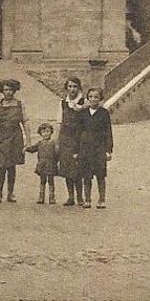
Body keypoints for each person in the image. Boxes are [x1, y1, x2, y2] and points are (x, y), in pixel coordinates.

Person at [0, 79, 30, 203]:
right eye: (5, 90)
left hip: (15, 137)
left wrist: (28, 141)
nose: (8, 92)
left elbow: (25, 122)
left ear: (14, 90)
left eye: (10, 90)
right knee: (1, 165)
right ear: (2, 91)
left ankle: (10, 193)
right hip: (1, 137)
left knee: (12, 166)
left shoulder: (20, 104)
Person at [78, 87, 113, 209]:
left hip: (99, 148)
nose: (93, 99)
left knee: (100, 175)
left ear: (100, 99)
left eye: (96, 97)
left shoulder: (104, 113)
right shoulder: (83, 113)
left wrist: (108, 150)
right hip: (85, 148)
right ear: (87, 98)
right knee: (86, 176)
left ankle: (101, 199)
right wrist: (77, 151)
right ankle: (87, 199)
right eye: (91, 97)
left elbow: (108, 132)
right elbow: (78, 131)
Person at [57, 75, 86, 207]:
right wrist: (57, 140)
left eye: (75, 86)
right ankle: (70, 196)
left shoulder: (83, 102)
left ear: (78, 88)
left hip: (78, 138)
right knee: (67, 168)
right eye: (69, 86)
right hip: (65, 137)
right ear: (66, 88)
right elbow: (59, 122)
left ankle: (80, 196)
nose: (72, 89)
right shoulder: (63, 103)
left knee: (77, 168)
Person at [26, 123, 59, 205]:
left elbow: (57, 154)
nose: (46, 133)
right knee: (42, 181)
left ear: (51, 132)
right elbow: (32, 149)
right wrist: (26, 148)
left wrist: (56, 161)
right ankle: (41, 197)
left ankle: (52, 197)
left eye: (48, 131)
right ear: (40, 133)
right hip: (42, 165)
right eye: (43, 132)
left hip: (51, 164)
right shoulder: (39, 143)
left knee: (51, 181)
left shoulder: (54, 143)